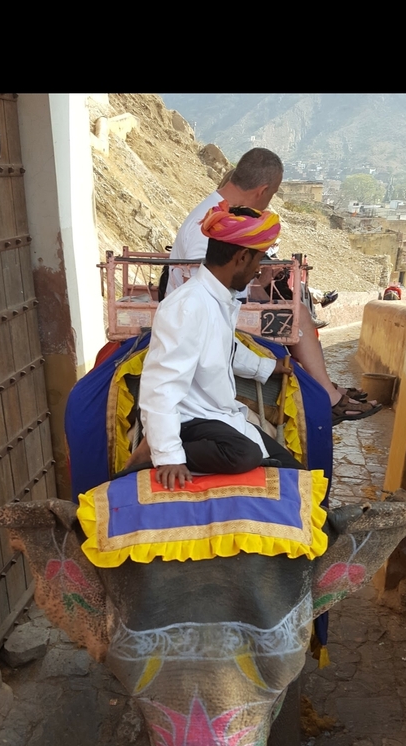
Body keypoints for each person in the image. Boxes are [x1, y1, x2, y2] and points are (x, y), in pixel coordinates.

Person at [165, 148, 380, 422]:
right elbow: (214, 301)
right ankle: (327, 394)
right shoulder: (212, 226)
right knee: (297, 316)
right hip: (209, 321)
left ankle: (324, 389)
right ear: (263, 190)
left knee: (291, 309)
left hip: (216, 311)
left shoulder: (217, 213)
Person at [139, 204, 303, 491]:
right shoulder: (188, 305)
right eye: (258, 261)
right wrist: (168, 455)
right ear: (241, 257)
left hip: (219, 416)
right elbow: (161, 385)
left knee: (298, 475)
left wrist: (269, 367)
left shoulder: (220, 299)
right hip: (191, 420)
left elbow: (226, 350)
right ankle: (151, 450)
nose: (257, 271)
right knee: (245, 454)